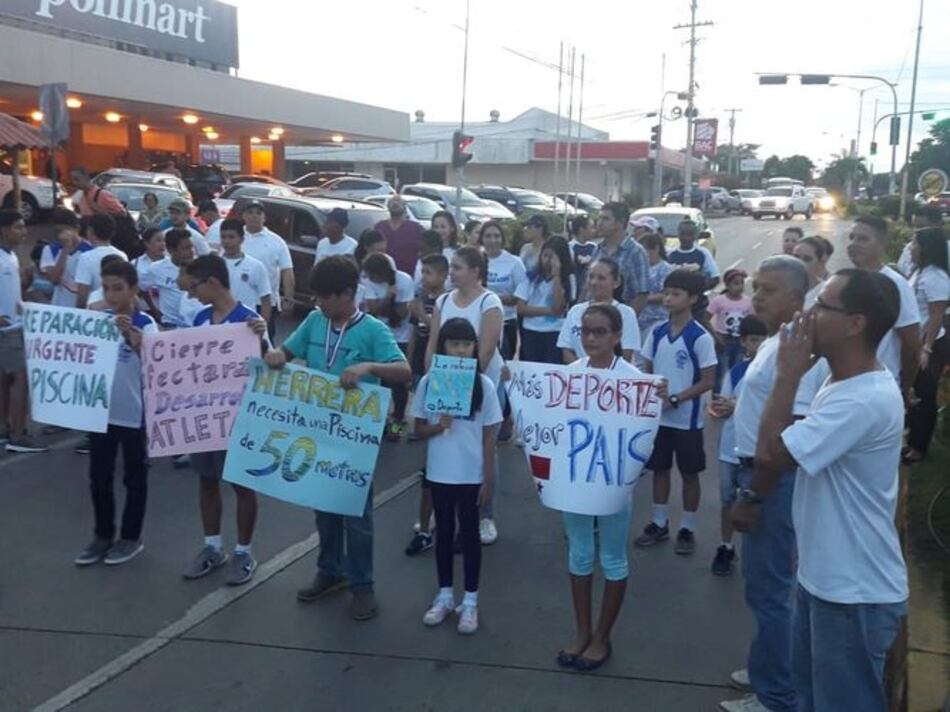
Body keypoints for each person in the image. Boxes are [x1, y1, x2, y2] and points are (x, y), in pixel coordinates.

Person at [735, 270, 906, 712]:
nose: (809, 314)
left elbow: (772, 453)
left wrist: (787, 374)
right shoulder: (842, 382)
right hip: (827, 580)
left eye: (823, 305)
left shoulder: (863, 399)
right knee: (811, 700)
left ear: (856, 323)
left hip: (853, 592)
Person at [266, 255, 411, 620]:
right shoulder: (315, 322)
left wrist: (368, 367)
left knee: (355, 512)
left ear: (347, 294)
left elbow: (404, 370)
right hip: (317, 429)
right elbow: (287, 351)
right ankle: (330, 571)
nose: (317, 303)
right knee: (323, 506)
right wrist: (276, 356)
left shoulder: (373, 330)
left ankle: (362, 584)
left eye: (324, 297)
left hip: (355, 436)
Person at [720, 255, 824, 712]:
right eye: (756, 287)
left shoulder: (798, 352)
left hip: (769, 480)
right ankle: (768, 669)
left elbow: (788, 436)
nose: (756, 295)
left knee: (772, 591)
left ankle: (777, 695)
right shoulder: (777, 339)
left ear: (798, 300)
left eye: (768, 289)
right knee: (764, 587)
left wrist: (754, 493)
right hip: (752, 469)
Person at [556, 304, 655, 672]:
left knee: (612, 557)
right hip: (576, 480)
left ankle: (602, 635)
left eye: (600, 332)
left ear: (617, 337)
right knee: (580, 554)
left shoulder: (632, 378)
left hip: (613, 482)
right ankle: (582, 631)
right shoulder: (569, 375)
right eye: (585, 331)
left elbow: (645, 438)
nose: (591, 339)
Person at [179, 255, 268, 585]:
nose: (191, 294)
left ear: (212, 283)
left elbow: (270, 366)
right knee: (206, 480)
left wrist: (261, 338)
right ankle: (212, 547)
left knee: (242, 485)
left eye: (194, 286)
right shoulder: (199, 319)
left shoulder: (250, 320)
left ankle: (244, 551)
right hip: (204, 416)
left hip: (239, 417)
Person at [412, 318, 501, 635]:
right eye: (454, 344)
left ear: (474, 348)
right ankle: (445, 594)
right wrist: (440, 425)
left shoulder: (485, 385)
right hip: (440, 472)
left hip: (471, 474)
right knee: (444, 534)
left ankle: (472, 601)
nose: (461, 351)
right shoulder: (429, 382)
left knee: (470, 536)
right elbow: (418, 428)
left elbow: (490, 436)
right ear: (443, 346)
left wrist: (488, 478)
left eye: (466, 345)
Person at [73, 260, 156, 567]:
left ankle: (131, 537)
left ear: (133, 289)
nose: (112, 295)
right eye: (106, 288)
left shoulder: (146, 323)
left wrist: (137, 343)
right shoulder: (98, 320)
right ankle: (102, 534)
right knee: (99, 477)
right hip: (101, 412)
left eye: (118, 288)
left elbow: (160, 368)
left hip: (135, 416)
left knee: (134, 479)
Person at [425, 247, 505, 545]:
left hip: (481, 387)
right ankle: (442, 507)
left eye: (457, 268)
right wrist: (431, 381)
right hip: (445, 384)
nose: (452, 273)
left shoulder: (490, 302)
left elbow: (484, 351)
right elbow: (433, 343)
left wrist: (464, 390)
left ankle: (484, 514)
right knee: (444, 441)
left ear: (475, 271)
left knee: (484, 447)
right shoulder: (443, 301)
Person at [635, 270, 717, 554]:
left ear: (693, 298)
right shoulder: (657, 332)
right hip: (659, 418)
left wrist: (676, 398)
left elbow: (708, 380)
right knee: (660, 469)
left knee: (690, 473)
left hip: (687, 420)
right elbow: (646, 367)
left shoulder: (700, 337)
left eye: (676, 294)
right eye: (666, 293)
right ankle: (659, 522)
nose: (668, 299)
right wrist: (651, 392)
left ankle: (688, 527)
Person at [708, 315, 767, 577]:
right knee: (728, 500)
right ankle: (725, 545)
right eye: (754, 340)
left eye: (764, 340)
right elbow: (722, 405)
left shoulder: (774, 373)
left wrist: (737, 406)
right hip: (730, 446)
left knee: (753, 502)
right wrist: (723, 409)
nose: (760, 345)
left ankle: (756, 554)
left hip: (754, 449)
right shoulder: (737, 371)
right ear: (744, 342)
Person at [847, 215, 920, 404]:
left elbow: (911, 345)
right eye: (852, 237)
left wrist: (904, 387)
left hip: (878, 389)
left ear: (882, 244)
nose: (854, 244)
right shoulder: (846, 282)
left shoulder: (895, 286)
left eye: (863, 239)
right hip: (844, 384)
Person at [404, 253, 449, 557]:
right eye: (422, 272)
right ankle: (425, 523)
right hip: (427, 372)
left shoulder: (444, 302)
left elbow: (440, 329)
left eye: (430, 272)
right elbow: (415, 334)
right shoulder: (420, 298)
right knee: (431, 463)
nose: (424, 277)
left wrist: (423, 314)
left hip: (447, 379)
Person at [0, 210, 47, 453]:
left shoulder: (13, 257)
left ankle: (4, 430)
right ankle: (18, 435)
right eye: (18, 227)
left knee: (5, 380)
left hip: (16, 325)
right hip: (8, 331)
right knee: (21, 379)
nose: (23, 231)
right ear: (4, 230)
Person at [903, 227, 950, 463]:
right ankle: (911, 438)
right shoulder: (919, 272)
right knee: (914, 392)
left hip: (929, 345)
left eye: (914, 243)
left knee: (924, 396)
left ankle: (919, 447)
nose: (911, 247)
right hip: (917, 343)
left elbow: (936, 315)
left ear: (927, 248)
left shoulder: (936, 277)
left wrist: (926, 348)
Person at [361, 253, 414, 442]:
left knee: (399, 386)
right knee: (380, 381)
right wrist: (390, 296)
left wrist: (386, 304)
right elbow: (373, 310)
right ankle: (380, 421)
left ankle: (398, 420)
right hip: (378, 337)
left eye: (373, 275)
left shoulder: (405, 280)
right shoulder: (368, 282)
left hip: (400, 337)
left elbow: (401, 313)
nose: (370, 279)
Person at [558, 258, 639, 363]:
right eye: (591, 277)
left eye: (601, 278)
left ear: (616, 282)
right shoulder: (575, 311)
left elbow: (626, 354)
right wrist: (583, 372)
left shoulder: (626, 313)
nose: (594, 282)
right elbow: (566, 350)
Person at [515, 236, 575, 364]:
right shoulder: (531, 277)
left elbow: (559, 307)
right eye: (545, 256)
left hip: (555, 332)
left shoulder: (568, 279)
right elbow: (521, 308)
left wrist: (556, 275)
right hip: (531, 331)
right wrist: (548, 311)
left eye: (552, 257)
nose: (547, 260)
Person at [241, 200, 294, 341]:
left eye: (258, 213)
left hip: (265, 303)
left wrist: (288, 298)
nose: (254, 216)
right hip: (238, 301)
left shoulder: (276, 241)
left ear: (264, 217)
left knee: (264, 342)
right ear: (244, 216)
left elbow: (287, 270)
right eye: (250, 212)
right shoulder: (236, 237)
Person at [482, 220, 526, 361]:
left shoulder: (514, 262)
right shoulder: (477, 259)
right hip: (481, 319)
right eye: (488, 236)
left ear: (502, 238)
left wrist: (492, 299)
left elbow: (521, 295)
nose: (492, 240)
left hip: (507, 321)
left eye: (496, 236)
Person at [593, 202, 649, 314]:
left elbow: (641, 296)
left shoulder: (636, 252)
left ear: (621, 222)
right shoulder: (597, 249)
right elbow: (587, 289)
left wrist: (624, 321)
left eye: (605, 219)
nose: (599, 223)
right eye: (599, 218)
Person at [139, 229, 200, 329]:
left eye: (191, 247)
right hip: (171, 325)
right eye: (185, 248)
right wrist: (155, 310)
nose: (191, 252)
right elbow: (141, 288)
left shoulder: (202, 266)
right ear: (171, 250)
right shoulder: (156, 269)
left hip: (197, 325)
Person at [218, 218, 272, 324]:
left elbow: (265, 298)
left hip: (246, 324)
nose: (227, 241)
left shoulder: (256, 266)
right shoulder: (214, 264)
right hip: (220, 324)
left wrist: (263, 325)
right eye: (223, 237)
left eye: (231, 237)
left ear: (242, 239)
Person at [707, 268, 753, 391]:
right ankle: (718, 398)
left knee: (736, 370)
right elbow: (706, 319)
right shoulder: (719, 300)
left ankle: (732, 396)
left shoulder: (748, 301)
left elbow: (750, 322)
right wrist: (716, 337)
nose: (739, 287)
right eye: (736, 283)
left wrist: (748, 343)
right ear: (727, 284)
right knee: (721, 371)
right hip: (723, 340)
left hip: (740, 341)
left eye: (742, 283)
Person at [40, 208, 93, 308]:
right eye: (58, 231)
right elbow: (54, 279)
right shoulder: (50, 249)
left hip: (83, 308)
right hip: (59, 306)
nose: (61, 235)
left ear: (77, 229)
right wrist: (65, 249)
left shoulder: (89, 251)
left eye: (65, 230)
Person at [75, 214, 128, 309]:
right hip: (117, 309)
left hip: (94, 309)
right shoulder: (122, 255)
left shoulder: (85, 257)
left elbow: (82, 295)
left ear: (90, 231)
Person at [638, 232, 675, 341]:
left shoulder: (665, 269)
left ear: (656, 249)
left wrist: (643, 298)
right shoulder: (640, 268)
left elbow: (666, 294)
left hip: (657, 319)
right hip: (639, 320)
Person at [376, 196, 424, 275]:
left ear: (405, 207)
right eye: (392, 201)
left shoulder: (416, 228)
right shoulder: (380, 227)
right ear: (388, 206)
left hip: (408, 275)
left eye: (398, 201)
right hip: (382, 275)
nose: (395, 203)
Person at [668, 220, 720, 290]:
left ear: (695, 236)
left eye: (690, 235)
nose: (686, 238)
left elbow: (715, 277)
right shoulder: (670, 254)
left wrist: (697, 291)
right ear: (678, 235)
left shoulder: (703, 253)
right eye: (683, 234)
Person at [897, 205, 944, 276]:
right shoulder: (909, 248)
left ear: (938, 225)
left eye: (921, 227)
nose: (916, 231)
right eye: (914, 226)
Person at [792, 236, 830, 308]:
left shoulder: (825, 292)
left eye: (807, 259)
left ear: (819, 262)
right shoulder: (783, 287)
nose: (800, 262)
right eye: (796, 257)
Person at [568, 215, 598, 295]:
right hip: (575, 291)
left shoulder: (595, 247)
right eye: (591, 227)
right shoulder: (570, 247)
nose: (594, 230)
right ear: (581, 229)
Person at [133, 227, 166, 291]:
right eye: (159, 240)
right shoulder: (135, 264)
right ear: (147, 243)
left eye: (164, 240)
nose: (163, 244)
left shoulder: (172, 263)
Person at [519, 214, 549, 279]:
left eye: (529, 227)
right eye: (525, 227)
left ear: (540, 229)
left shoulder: (548, 249)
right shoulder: (525, 247)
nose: (525, 230)